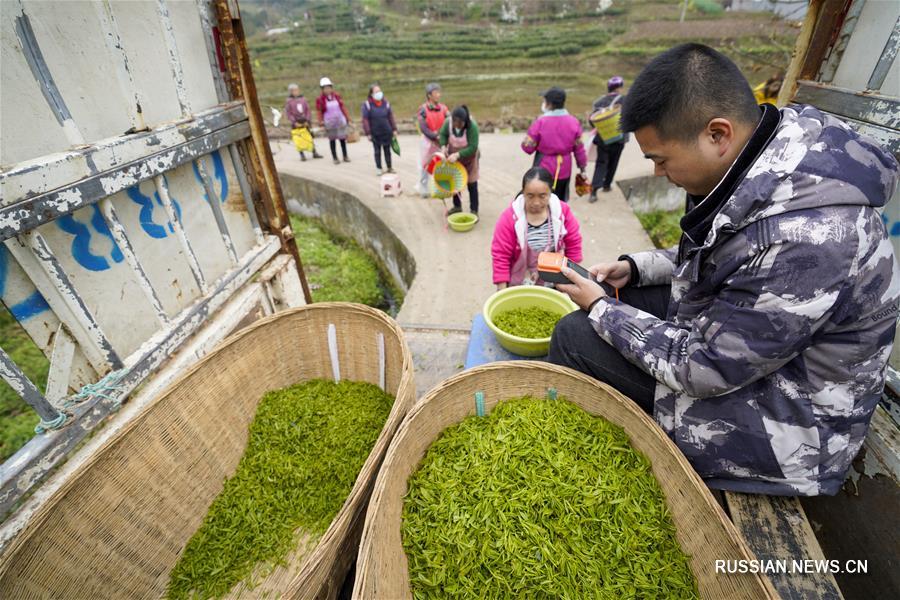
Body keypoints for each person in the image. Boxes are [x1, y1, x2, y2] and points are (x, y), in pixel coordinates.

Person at [549, 43, 900, 497]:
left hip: (793, 425)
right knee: (614, 303)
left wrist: (600, 309)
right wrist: (635, 269)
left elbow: (703, 368)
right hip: (757, 352)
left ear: (717, 135)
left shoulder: (809, 241)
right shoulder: (771, 152)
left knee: (578, 336)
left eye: (660, 158)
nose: (657, 173)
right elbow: (730, 254)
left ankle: (574, 466)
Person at [491, 167, 583, 289]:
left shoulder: (562, 213)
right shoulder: (509, 218)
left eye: (542, 196)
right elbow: (501, 255)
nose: (536, 202)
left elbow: (574, 244)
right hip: (520, 281)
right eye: (530, 196)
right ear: (523, 192)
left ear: (551, 192)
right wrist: (502, 291)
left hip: (553, 281)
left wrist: (570, 279)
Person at [521, 87, 587, 202]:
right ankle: (559, 218)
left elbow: (528, 148)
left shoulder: (540, 122)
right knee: (560, 201)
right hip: (564, 168)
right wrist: (582, 169)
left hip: (543, 168)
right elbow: (579, 149)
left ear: (549, 104)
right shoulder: (574, 122)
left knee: (541, 199)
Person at [589, 76, 628, 199]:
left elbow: (592, 121)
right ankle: (606, 185)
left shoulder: (598, 102)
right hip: (619, 138)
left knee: (601, 163)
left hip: (602, 138)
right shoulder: (625, 100)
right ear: (620, 87)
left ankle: (594, 191)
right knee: (613, 162)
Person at [439, 105, 480, 216]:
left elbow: (473, 147)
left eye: (460, 123)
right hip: (454, 159)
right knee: (455, 182)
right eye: (455, 122)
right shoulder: (448, 123)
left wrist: (458, 154)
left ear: (464, 122)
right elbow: (442, 134)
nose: (456, 125)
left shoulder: (472, 127)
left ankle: (474, 210)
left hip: (469, 159)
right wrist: (443, 146)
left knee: (472, 184)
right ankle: (457, 206)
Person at [416, 83, 450, 197]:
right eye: (436, 93)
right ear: (429, 95)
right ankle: (424, 189)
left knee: (442, 163)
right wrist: (434, 136)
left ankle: (441, 188)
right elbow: (423, 127)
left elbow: (449, 122)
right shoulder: (423, 109)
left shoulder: (444, 108)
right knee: (425, 164)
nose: (438, 95)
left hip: (441, 140)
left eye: (439, 92)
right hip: (428, 141)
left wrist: (443, 136)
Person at [361, 84, 398, 175]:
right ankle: (379, 168)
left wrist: (394, 129)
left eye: (379, 91)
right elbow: (365, 120)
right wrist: (368, 133)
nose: (379, 93)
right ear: (371, 94)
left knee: (387, 150)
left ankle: (389, 167)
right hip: (375, 133)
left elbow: (390, 117)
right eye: (376, 92)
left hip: (387, 131)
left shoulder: (386, 103)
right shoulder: (367, 105)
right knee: (377, 151)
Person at [315, 77, 351, 164]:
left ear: (331, 88)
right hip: (329, 123)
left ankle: (345, 156)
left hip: (340, 121)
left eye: (329, 87)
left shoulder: (337, 96)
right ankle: (335, 157)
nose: (327, 90)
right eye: (325, 88)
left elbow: (342, 107)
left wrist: (348, 118)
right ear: (322, 89)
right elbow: (319, 111)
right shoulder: (320, 100)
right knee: (332, 140)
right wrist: (321, 122)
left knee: (342, 139)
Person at [284, 83, 322, 161]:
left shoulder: (303, 99)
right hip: (296, 122)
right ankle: (302, 155)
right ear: (291, 92)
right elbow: (289, 113)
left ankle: (314, 152)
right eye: (294, 90)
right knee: (298, 139)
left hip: (305, 121)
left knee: (309, 137)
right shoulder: (289, 101)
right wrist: (294, 122)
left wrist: (307, 120)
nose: (296, 92)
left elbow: (308, 110)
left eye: (297, 90)